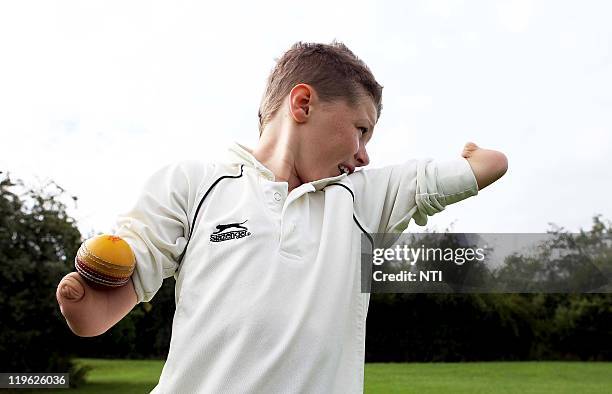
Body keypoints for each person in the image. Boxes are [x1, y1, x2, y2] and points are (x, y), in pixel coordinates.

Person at [56, 41, 508, 393]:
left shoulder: (363, 200)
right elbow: (99, 314)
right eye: (361, 130)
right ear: (303, 104)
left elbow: (490, 167)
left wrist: (476, 155)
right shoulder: (191, 184)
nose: (364, 157)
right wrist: (83, 299)